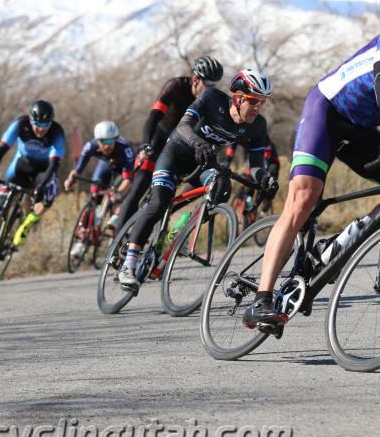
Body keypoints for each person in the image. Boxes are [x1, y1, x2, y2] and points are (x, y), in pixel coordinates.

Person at [242, 35, 380, 328]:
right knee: (303, 200)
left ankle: (333, 249)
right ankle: (261, 300)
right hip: (326, 112)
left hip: (361, 131)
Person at [118, 69, 279, 288]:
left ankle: (179, 234)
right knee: (159, 202)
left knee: (221, 188)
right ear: (238, 98)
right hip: (175, 154)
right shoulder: (212, 98)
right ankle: (128, 264)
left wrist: (266, 179)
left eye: (262, 102)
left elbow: (256, 166)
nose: (258, 107)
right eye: (253, 101)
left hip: (202, 162)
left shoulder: (258, 125)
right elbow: (183, 126)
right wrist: (198, 143)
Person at [113, 56, 224, 235]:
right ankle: (116, 240)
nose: (210, 89)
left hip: (180, 146)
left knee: (198, 181)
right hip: (158, 140)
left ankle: (167, 212)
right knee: (138, 187)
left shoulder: (210, 98)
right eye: (207, 84)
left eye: (214, 85)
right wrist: (145, 143)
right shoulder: (175, 86)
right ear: (195, 79)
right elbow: (153, 116)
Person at [0, 100, 66, 268]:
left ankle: (27, 223)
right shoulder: (21, 124)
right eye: (37, 124)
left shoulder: (57, 132)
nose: (41, 129)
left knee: (50, 192)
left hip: (44, 170)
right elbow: (2, 148)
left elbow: (54, 165)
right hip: (21, 166)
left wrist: (41, 187)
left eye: (45, 125)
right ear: (30, 120)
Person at [64, 121, 135, 248]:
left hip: (123, 168)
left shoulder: (125, 149)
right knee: (94, 192)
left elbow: (128, 179)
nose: (106, 146)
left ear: (115, 139)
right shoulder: (90, 146)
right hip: (106, 165)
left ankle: (116, 225)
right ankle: (84, 230)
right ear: (97, 140)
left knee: (117, 196)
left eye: (110, 141)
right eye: (103, 142)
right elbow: (77, 170)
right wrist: (70, 180)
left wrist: (118, 194)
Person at [224, 133, 281, 212]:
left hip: (271, 160)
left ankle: (266, 201)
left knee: (267, 179)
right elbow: (231, 149)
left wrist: (263, 172)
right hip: (255, 155)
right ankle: (250, 205)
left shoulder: (258, 133)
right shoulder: (237, 134)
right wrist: (226, 164)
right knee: (249, 180)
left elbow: (267, 153)